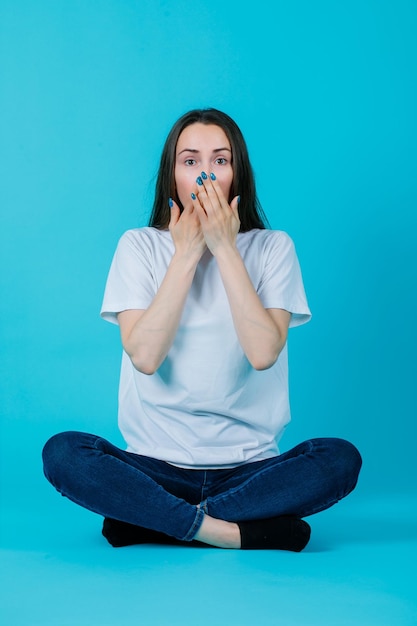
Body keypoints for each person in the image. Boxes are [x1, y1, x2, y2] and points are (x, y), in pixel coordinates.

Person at [42, 108, 362, 551]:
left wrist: (225, 249)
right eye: (190, 161)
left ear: (238, 175)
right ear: (172, 175)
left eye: (220, 161)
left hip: (251, 471)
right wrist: (186, 254)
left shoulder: (273, 248)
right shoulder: (139, 246)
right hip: (155, 467)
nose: (205, 176)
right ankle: (228, 532)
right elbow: (146, 357)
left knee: (339, 459)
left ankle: (150, 519)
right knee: (63, 452)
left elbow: (263, 352)